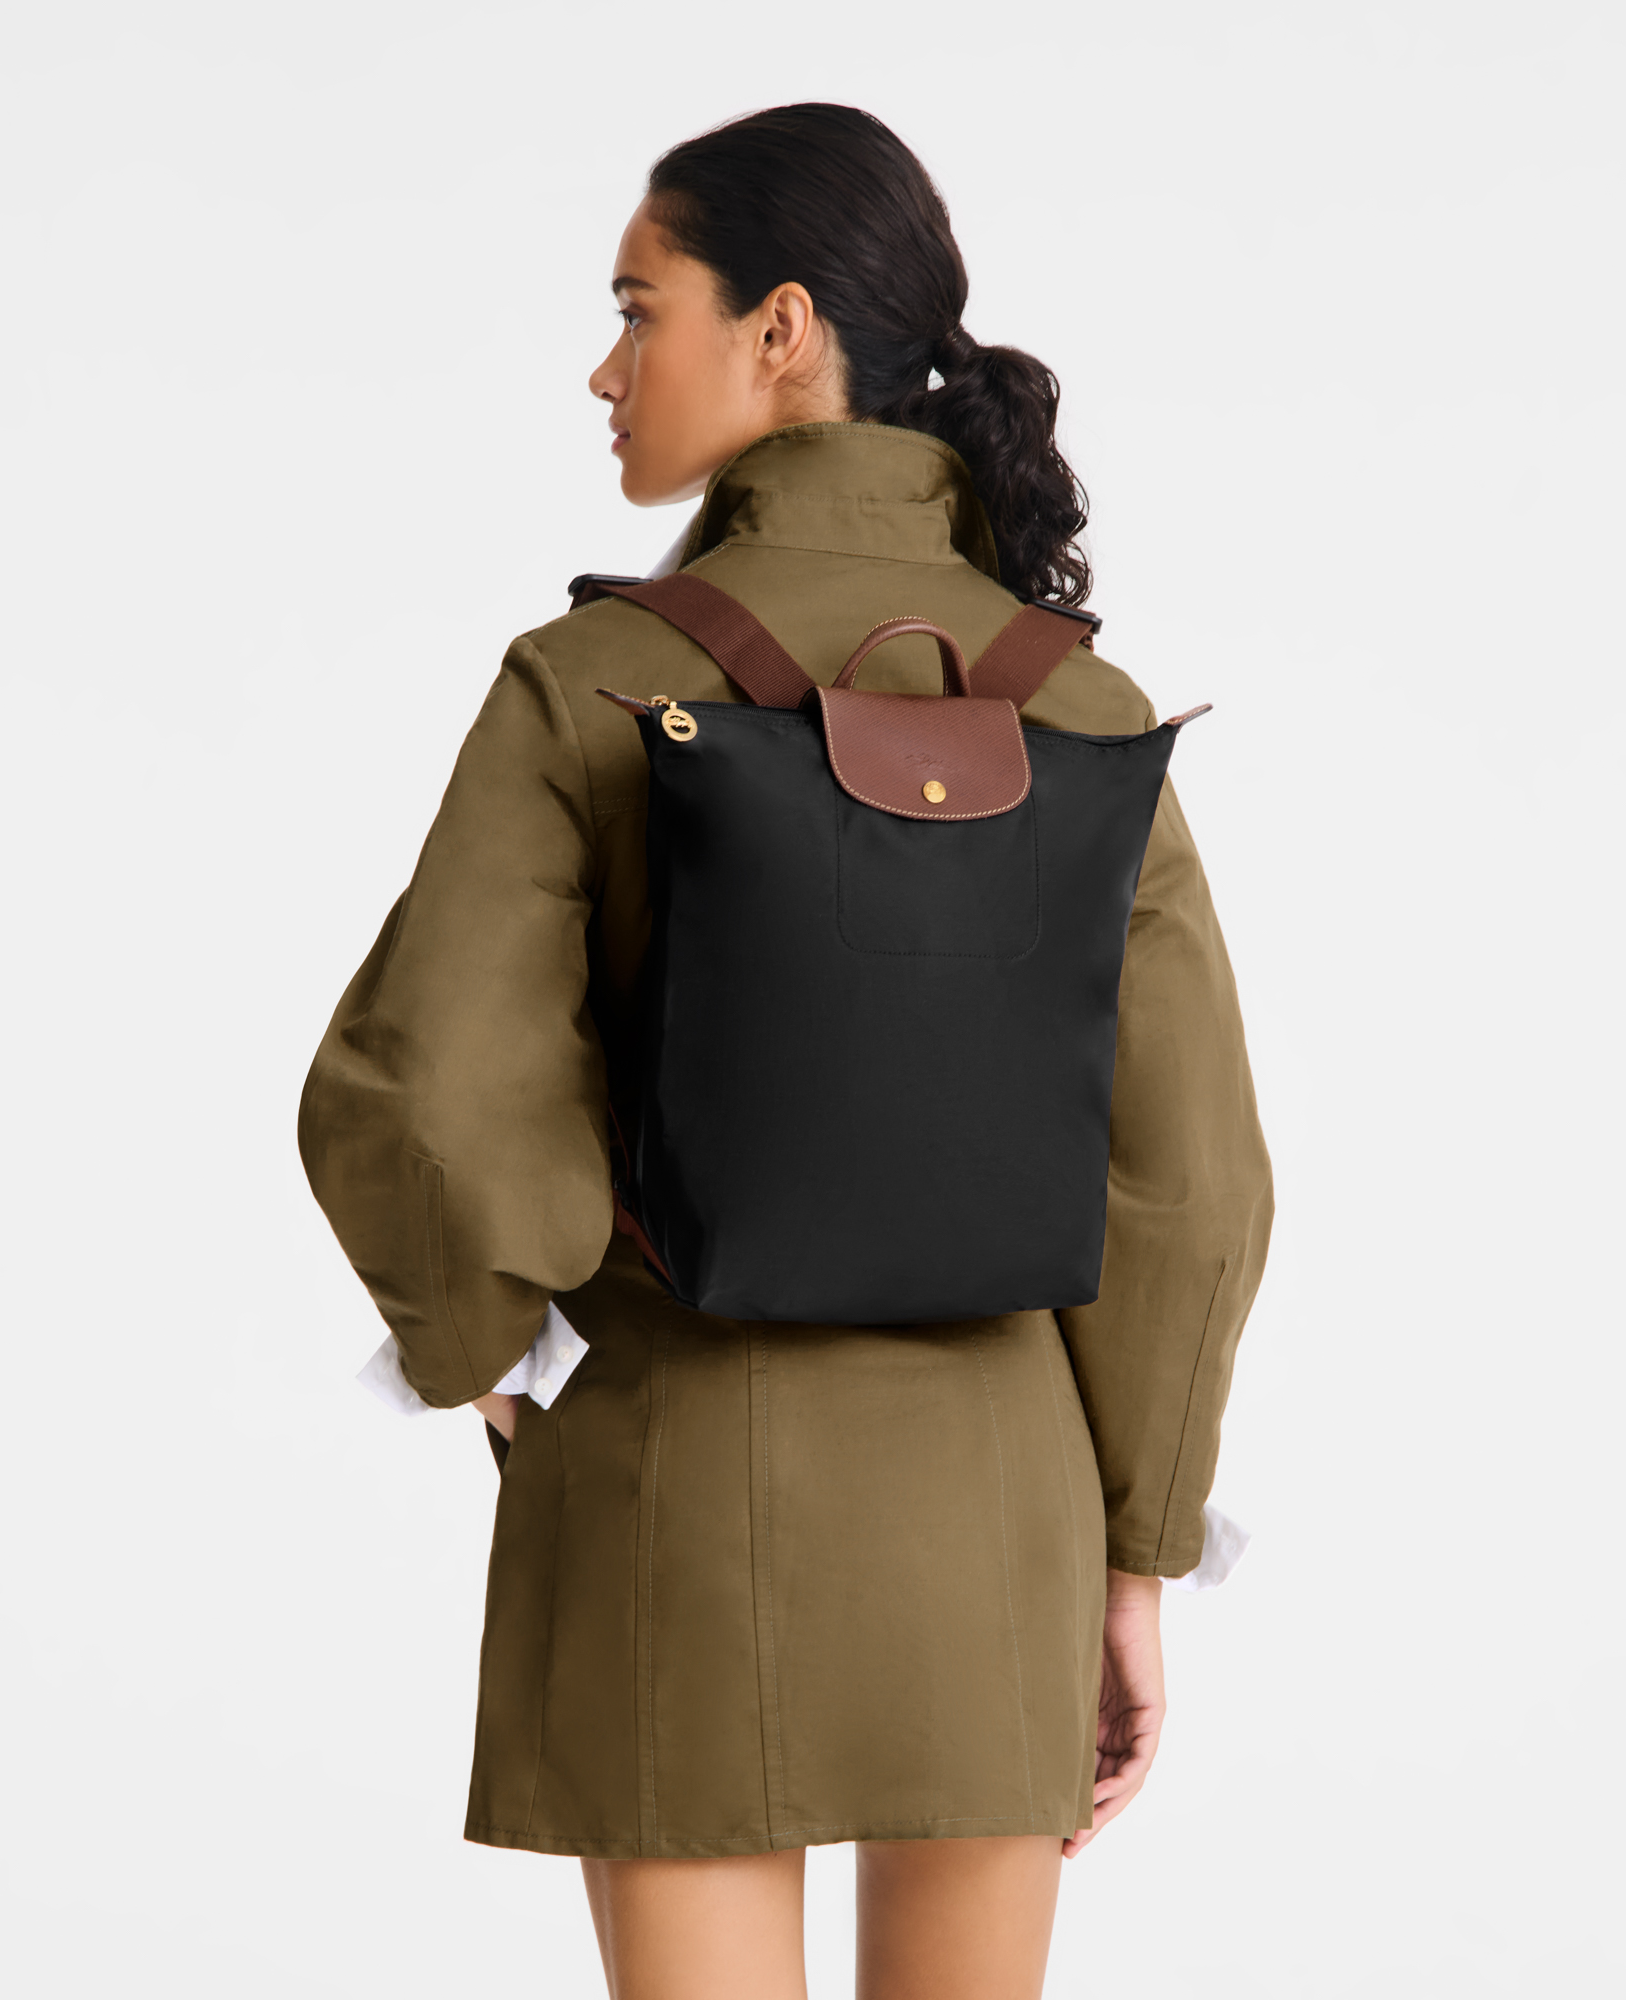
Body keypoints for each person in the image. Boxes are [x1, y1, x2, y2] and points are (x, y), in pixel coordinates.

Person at [300, 103, 1273, 2000]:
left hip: (674, 1481)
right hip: (1003, 1521)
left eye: (634, 309)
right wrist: (1134, 1556)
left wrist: (495, 1352)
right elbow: (1192, 1182)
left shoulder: (588, 685)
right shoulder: (1083, 706)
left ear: (781, 327)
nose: (603, 370)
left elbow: (424, 1092)